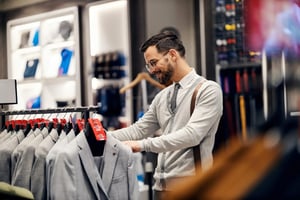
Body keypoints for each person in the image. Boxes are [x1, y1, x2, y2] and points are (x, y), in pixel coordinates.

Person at [108, 32, 223, 200]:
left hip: (192, 187)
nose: (152, 70)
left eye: (153, 63)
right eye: (149, 65)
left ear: (172, 55)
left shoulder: (208, 90)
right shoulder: (163, 96)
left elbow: (192, 135)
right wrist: (102, 136)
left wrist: (141, 146)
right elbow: (139, 129)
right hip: (160, 188)